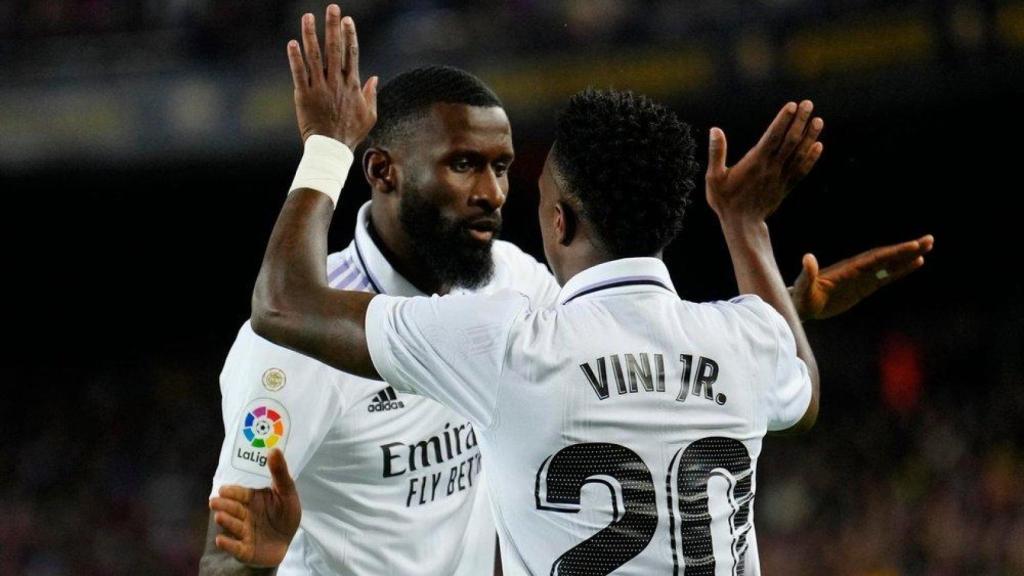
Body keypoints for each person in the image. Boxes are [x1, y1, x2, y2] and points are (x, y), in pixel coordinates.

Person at [208, 8, 933, 574]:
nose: (493, 192)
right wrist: (774, 308)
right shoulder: (285, 357)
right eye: (465, 165)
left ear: (560, 220)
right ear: (384, 171)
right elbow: (227, 552)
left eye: (502, 168)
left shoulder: (515, 298)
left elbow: (617, 348)